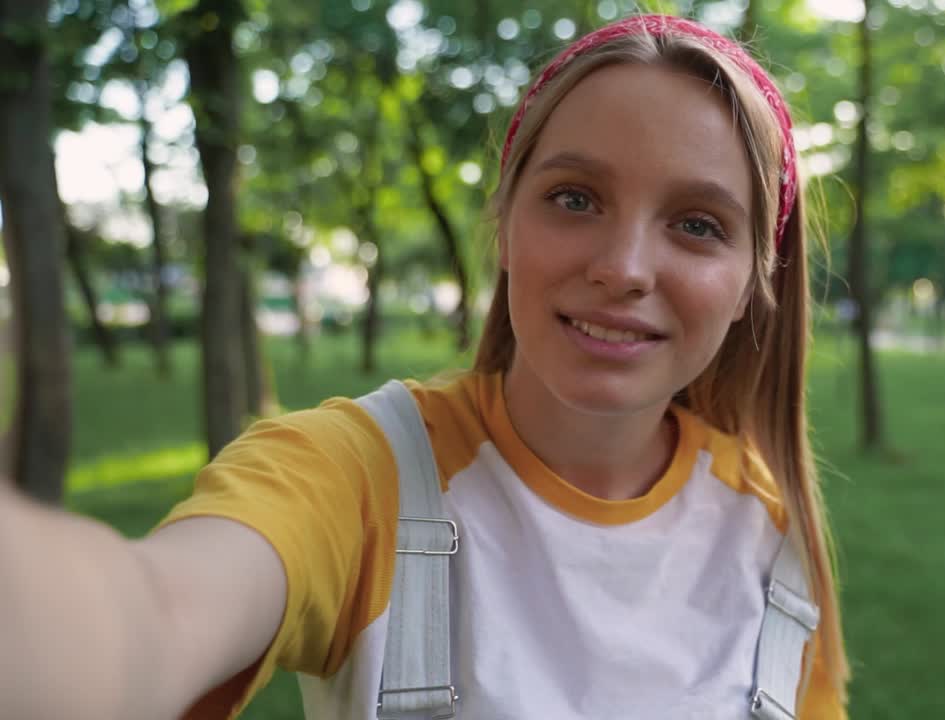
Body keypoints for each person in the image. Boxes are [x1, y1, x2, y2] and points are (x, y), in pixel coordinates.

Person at [0, 14, 850, 718]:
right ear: (505, 225)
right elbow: (154, 613)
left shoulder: (772, 532)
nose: (624, 267)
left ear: (752, 286)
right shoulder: (357, 474)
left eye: (698, 223)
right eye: (575, 198)